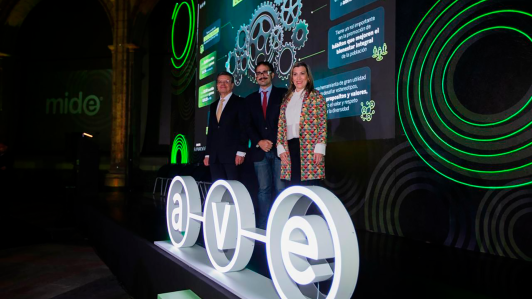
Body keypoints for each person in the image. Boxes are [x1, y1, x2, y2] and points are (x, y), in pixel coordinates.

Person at [245, 61, 287, 229]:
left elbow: (287, 120)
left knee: (280, 188)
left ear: (272, 75)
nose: (261, 75)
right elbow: (247, 125)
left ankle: (281, 226)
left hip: (280, 150)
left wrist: (276, 140)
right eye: (258, 73)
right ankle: (263, 227)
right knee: (263, 190)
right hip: (259, 151)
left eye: (265, 72)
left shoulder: (284, 94)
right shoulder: (249, 100)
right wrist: (259, 141)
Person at [276, 62, 327, 186]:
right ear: (292, 78)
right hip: (289, 148)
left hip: (309, 148)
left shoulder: (316, 96)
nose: (298, 78)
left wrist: (320, 148)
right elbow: (281, 125)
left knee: (310, 187)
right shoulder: (286, 99)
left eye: (302, 74)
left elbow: (322, 124)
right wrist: (280, 147)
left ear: (308, 77)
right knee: (293, 186)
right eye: (295, 74)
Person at [204, 72, 247, 181]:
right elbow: (212, 131)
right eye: (220, 82)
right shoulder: (213, 105)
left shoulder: (240, 102)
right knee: (218, 189)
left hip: (232, 156)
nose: (223, 84)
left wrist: (241, 151)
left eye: (226, 81)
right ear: (217, 85)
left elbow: (244, 128)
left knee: (233, 188)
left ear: (232, 85)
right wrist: (208, 154)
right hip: (214, 157)